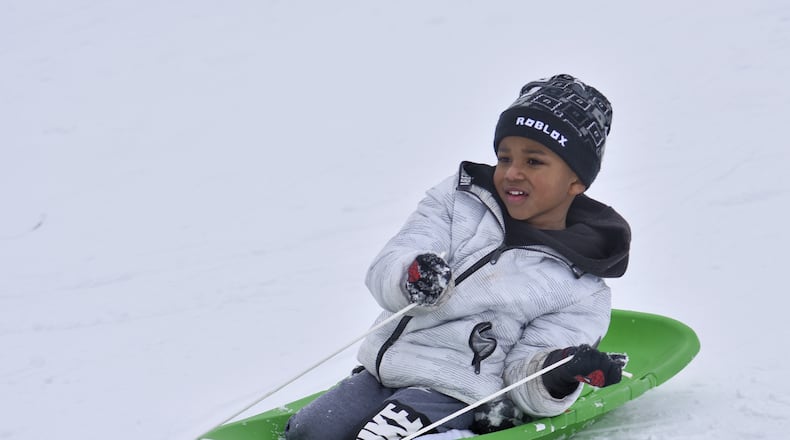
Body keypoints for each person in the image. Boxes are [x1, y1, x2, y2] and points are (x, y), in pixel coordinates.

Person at [284, 74, 631, 440]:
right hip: (382, 373)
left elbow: (521, 381)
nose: (512, 172)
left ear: (576, 181)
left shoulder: (580, 289)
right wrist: (412, 275)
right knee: (309, 433)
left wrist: (558, 372)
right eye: (504, 157)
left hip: (458, 394)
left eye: (534, 162)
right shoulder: (459, 201)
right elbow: (391, 260)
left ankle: (460, 432)